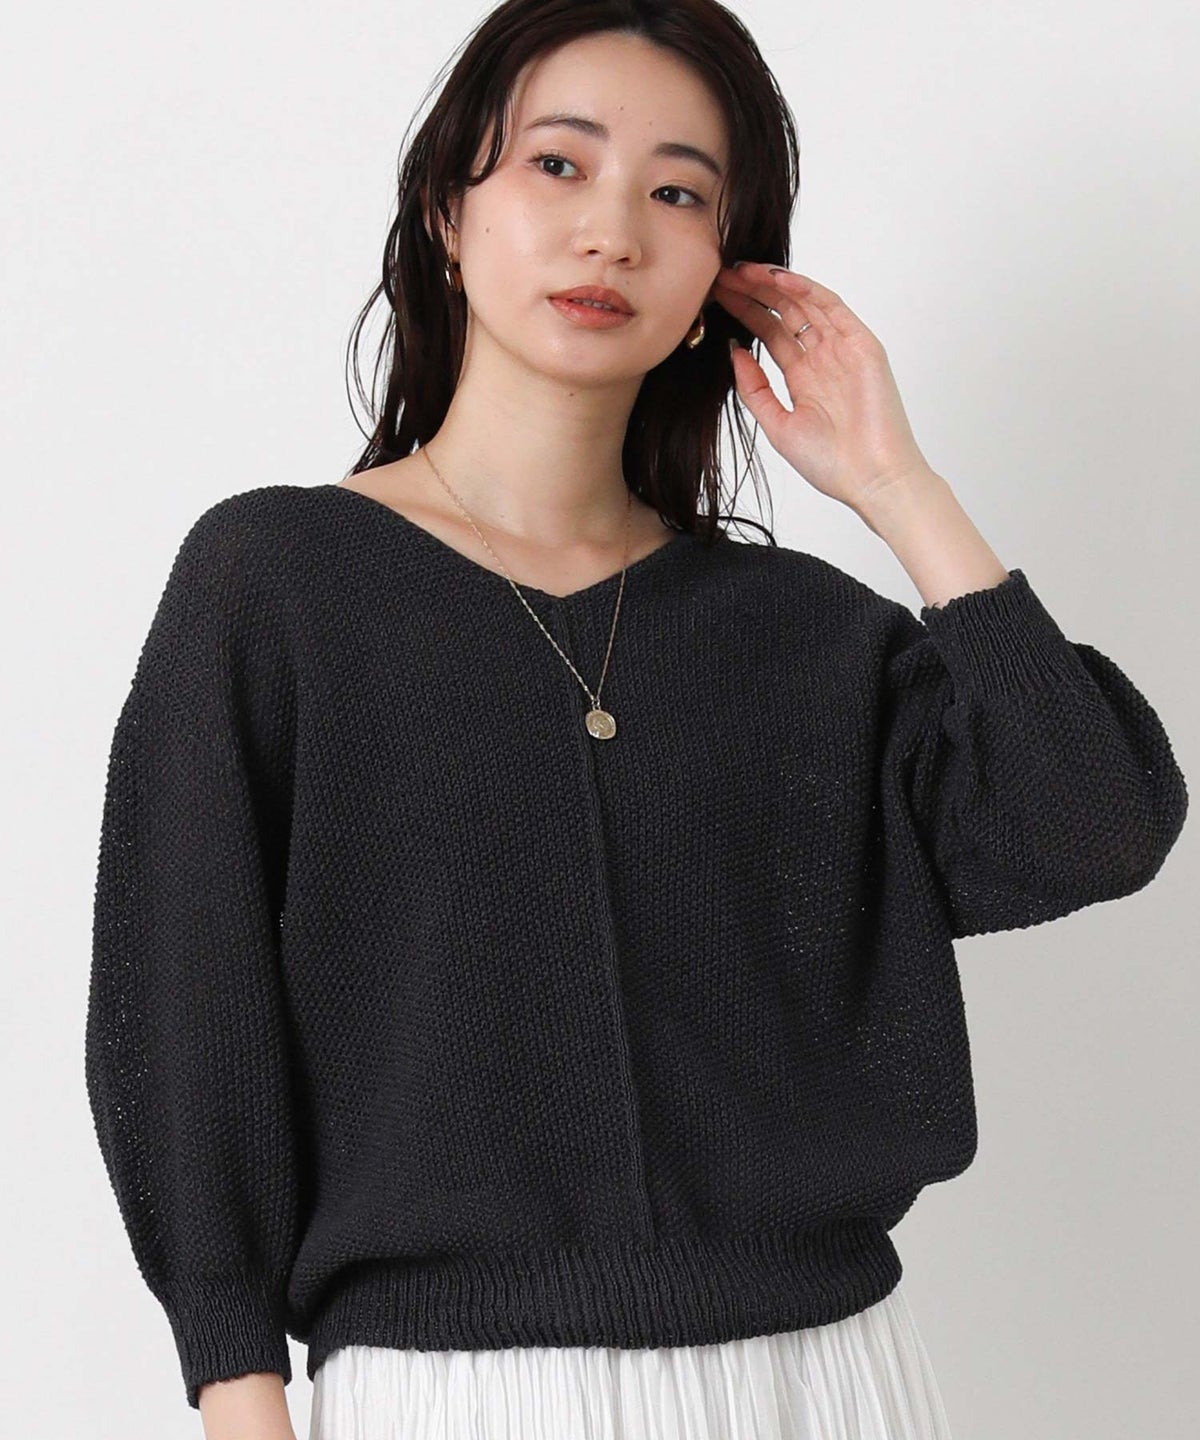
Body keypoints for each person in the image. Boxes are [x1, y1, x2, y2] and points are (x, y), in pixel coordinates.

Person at [84, 2, 1189, 1437]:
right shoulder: (279, 581)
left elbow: (1092, 824)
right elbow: (184, 1013)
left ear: (727, 269)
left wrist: (896, 485)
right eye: (559, 165)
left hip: (827, 1383)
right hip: (457, 1395)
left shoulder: (804, 635)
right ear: (447, 212)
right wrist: (242, 1400)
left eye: (677, 193)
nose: (611, 231)